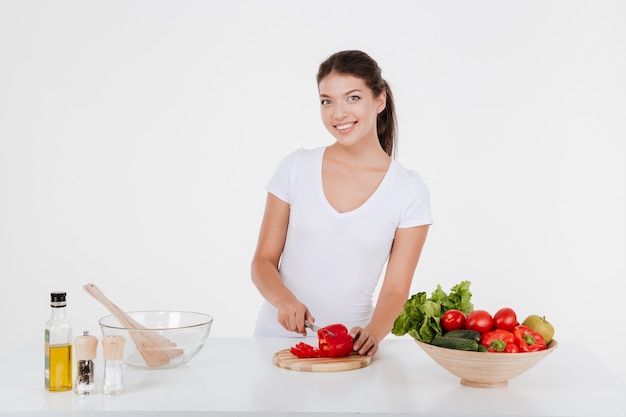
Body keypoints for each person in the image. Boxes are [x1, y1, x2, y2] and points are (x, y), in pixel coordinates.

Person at [251, 50, 432, 356]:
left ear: (379, 100)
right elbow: (263, 261)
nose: (338, 114)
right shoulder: (296, 167)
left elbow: (396, 290)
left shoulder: (409, 189)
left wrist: (373, 333)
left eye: (352, 98)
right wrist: (284, 301)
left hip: (352, 349)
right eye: (327, 101)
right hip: (277, 342)